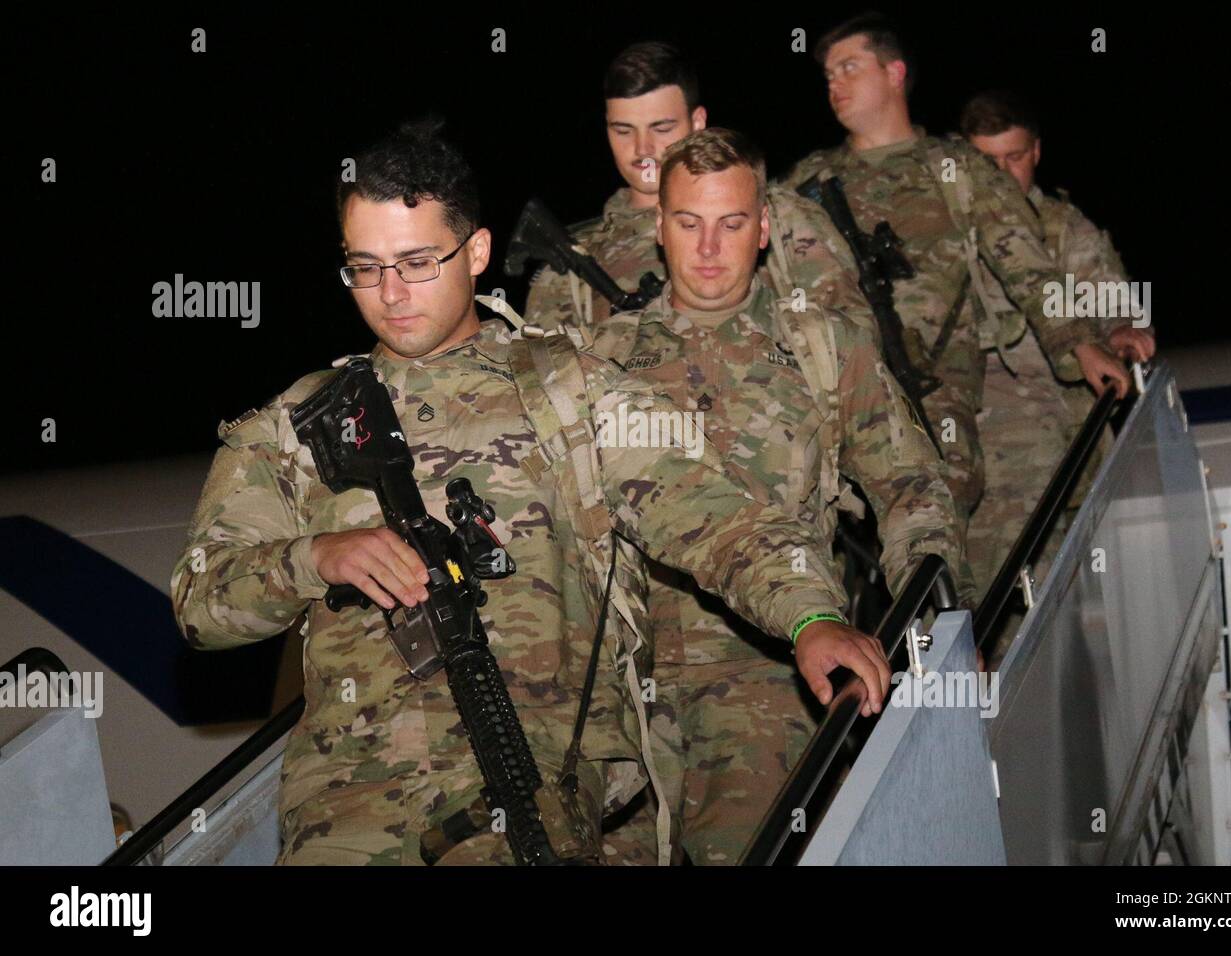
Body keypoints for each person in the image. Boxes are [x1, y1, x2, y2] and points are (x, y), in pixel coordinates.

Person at [170, 117, 894, 866]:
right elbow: (199, 603)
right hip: (341, 818)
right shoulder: (295, 424)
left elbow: (717, 517)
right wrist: (313, 557)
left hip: (520, 806)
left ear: (476, 251)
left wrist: (809, 616)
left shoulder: (571, 391)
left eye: (417, 262)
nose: (390, 293)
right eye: (365, 266)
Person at [592, 127, 971, 864]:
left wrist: (938, 617)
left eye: (731, 224)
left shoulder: (823, 349)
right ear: (658, 227)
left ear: (764, 228)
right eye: (688, 223)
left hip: (772, 673)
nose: (708, 248)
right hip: (623, 695)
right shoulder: (599, 362)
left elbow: (911, 484)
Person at [784, 13, 1131, 543]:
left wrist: (1082, 344)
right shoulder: (808, 181)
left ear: (894, 73)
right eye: (829, 74)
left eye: (849, 67)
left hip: (938, 391)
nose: (835, 84)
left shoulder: (956, 168)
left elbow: (1026, 267)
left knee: (944, 523)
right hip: (843, 398)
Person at [958, 89, 1156, 617]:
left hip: (1060, 456)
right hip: (969, 462)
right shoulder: (945, 237)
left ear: (1037, 153)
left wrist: (1121, 331)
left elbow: (1113, 300)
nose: (1001, 175)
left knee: (1071, 611)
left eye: (1014, 158)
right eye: (987, 163)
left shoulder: (1061, 228)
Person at [524, 41, 866, 334]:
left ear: (697, 122)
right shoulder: (572, 261)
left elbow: (852, 345)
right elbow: (543, 385)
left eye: (661, 127)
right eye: (624, 130)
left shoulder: (779, 217)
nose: (643, 148)